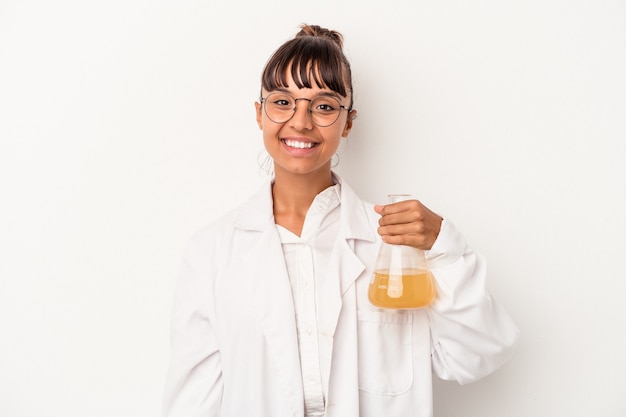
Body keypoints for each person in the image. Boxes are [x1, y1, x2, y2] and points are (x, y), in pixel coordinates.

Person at [162, 24, 519, 417]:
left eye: (324, 106)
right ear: (259, 115)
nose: (301, 122)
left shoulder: (395, 243)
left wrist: (444, 250)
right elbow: (192, 403)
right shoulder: (211, 252)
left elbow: (479, 353)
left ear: (348, 122)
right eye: (283, 102)